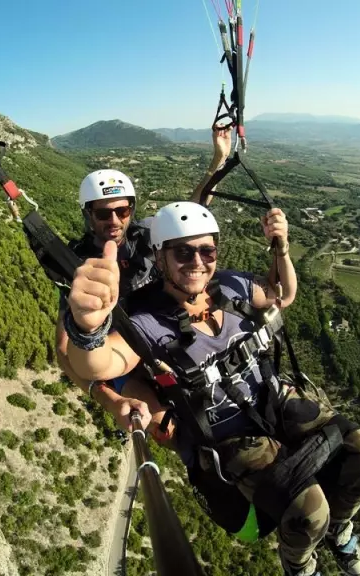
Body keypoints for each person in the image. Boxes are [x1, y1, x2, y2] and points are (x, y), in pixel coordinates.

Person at [62, 201, 360, 576]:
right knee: (309, 512)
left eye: (207, 251)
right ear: (160, 257)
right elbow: (99, 365)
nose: (197, 262)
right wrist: (87, 328)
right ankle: (299, 563)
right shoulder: (147, 322)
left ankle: (339, 528)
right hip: (226, 432)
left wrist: (281, 249)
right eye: (183, 252)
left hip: (274, 398)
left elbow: (282, 294)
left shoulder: (232, 287)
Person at [53, 128, 233, 438]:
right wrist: (110, 400)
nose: (114, 221)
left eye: (122, 211)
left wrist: (217, 162)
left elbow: (191, 215)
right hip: (121, 350)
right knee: (168, 431)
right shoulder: (78, 265)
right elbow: (63, 347)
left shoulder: (147, 236)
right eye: (103, 214)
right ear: (88, 215)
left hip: (166, 333)